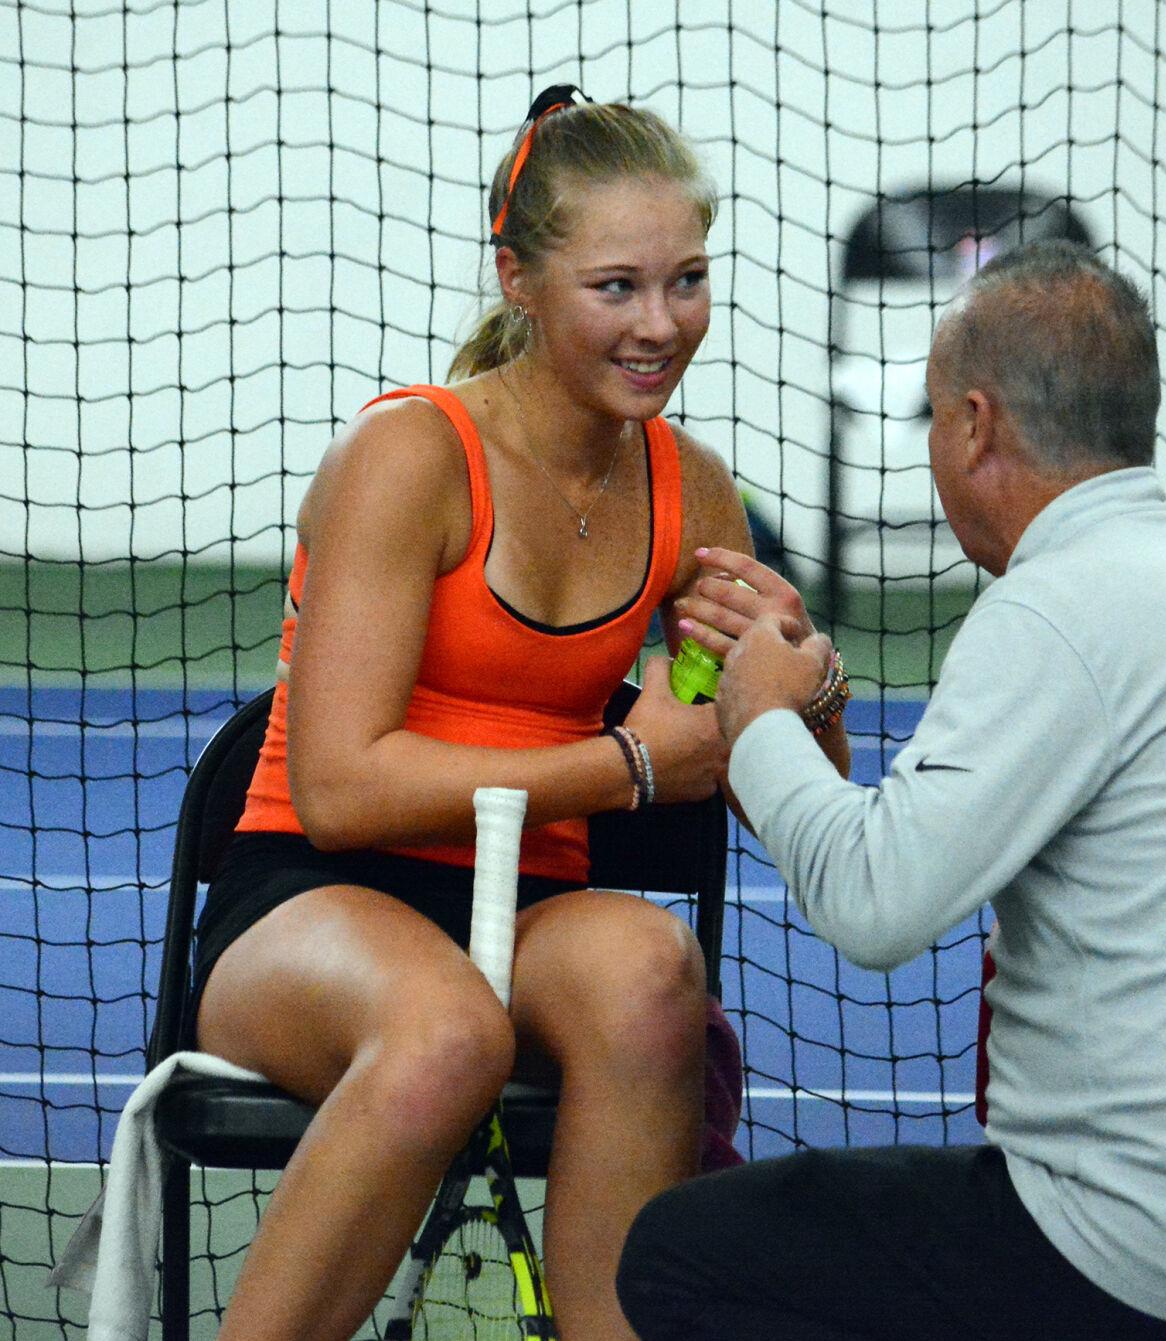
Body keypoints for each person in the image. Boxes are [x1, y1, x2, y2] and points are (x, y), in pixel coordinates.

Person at [616, 239, 1166, 1340]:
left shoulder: (1057, 607)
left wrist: (759, 714)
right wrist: (798, 696)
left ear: (974, 424)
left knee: (681, 1258)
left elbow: (871, 905)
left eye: (928, 420)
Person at [189, 86, 848, 1341]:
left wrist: (805, 686)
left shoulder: (692, 493)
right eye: (616, 287)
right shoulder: (410, 457)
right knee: (445, 1032)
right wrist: (623, 767)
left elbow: (742, 774)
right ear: (522, 281)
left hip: (528, 916)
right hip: (311, 899)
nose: (662, 326)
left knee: (656, 970)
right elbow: (340, 790)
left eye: (688, 280)